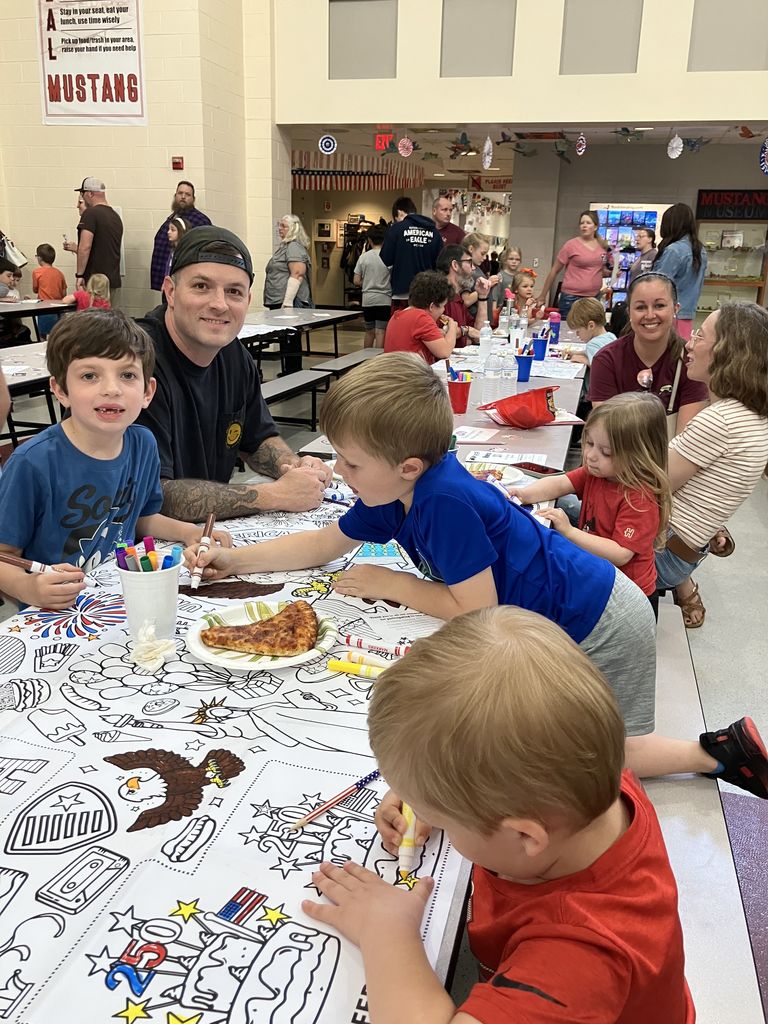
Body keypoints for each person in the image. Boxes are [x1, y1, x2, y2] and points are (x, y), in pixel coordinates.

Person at [185, 352, 767, 793]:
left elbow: (477, 610)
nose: (339, 471)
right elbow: (321, 543)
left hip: (602, 622)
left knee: (598, 754)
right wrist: (229, 560)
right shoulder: (394, 489)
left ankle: (717, 753)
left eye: (350, 461)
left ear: (407, 465)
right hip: (563, 613)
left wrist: (396, 585)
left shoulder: (441, 501)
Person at [301, 606, 693, 1023]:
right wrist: (434, 789)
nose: (431, 821)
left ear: (525, 837)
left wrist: (387, 932)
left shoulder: (578, 960)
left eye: (447, 822)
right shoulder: (588, 782)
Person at [0, 309, 231, 611]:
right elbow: (4, 554)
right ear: (60, 390)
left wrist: (190, 532)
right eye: (89, 376)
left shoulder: (143, 444)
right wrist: (29, 587)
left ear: (147, 392)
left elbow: (141, 518)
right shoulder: (32, 463)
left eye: (127, 375)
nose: (111, 389)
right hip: (54, 611)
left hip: (117, 595)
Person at [135, 224, 331, 522]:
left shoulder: (234, 355)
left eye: (234, 292)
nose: (219, 304)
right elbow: (154, 496)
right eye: (201, 286)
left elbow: (257, 439)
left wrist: (294, 467)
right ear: (170, 292)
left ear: (247, 302)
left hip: (204, 538)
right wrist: (274, 495)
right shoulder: (133, 362)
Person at [656, 302, 768, 628]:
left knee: (547, 512)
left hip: (661, 554)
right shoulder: (754, 416)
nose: (689, 344)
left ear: (725, 352)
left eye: (699, 337)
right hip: (683, 556)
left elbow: (650, 484)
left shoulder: (722, 420)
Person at [509, 393, 670, 614]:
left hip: (629, 599)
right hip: (599, 578)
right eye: (590, 443)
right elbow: (560, 483)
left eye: (606, 452)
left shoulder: (640, 498)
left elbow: (621, 553)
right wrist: (524, 494)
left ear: (639, 455)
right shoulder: (597, 473)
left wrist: (569, 532)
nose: (591, 456)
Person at [589, 273, 709, 436]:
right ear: (629, 313)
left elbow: (686, 440)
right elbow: (607, 433)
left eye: (659, 305)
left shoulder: (691, 361)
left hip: (674, 458)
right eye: (640, 307)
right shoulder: (606, 360)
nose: (650, 315)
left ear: (675, 309)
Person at [538, 210, 613, 318]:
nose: (584, 226)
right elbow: (554, 270)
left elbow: (599, 270)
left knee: (589, 330)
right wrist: (542, 295)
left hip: (593, 297)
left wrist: (612, 273)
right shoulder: (571, 245)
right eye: (582, 223)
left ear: (595, 227)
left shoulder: (603, 246)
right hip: (571, 297)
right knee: (568, 330)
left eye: (588, 223)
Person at [263, 213, 313, 372]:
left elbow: (297, 273)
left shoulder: (293, 247)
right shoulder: (286, 246)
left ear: (294, 229)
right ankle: (289, 371)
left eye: (283, 226)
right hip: (280, 301)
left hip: (289, 302)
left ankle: (292, 372)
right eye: (279, 225)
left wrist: (287, 302)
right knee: (286, 339)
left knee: (290, 339)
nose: (279, 229)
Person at [652, 204, 707, 341]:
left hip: (667, 317)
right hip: (687, 315)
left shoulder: (674, 251)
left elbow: (656, 285)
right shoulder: (700, 250)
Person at [379, 197, 442, 312]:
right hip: (428, 292)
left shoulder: (396, 229)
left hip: (402, 292)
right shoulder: (435, 233)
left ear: (399, 212)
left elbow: (386, 259)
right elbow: (440, 263)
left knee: (400, 328)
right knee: (424, 327)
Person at [383, 271, 457, 364]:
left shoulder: (397, 315)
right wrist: (452, 327)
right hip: (412, 375)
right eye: (443, 306)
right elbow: (444, 352)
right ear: (432, 306)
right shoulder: (421, 317)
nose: (443, 310)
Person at [149, 181, 211, 291]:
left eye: (187, 194)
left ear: (193, 199)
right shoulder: (172, 217)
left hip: (185, 274)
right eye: (180, 193)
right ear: (175, 195)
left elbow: (206, 249)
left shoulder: (200, 220)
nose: (183, 197)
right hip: (167, 273)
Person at [72, 177, 123, 308]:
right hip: (112, 281)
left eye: (82, 194)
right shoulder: (115, 216)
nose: (82, 198)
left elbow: (85, 246)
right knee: (111, 323)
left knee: (95, 325)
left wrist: (80, 275)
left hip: (95, 283)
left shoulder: (91, 214)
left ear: (90, 193)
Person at [437, 245, 490, 343]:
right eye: (469, 262)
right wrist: (467, 330)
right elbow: (438, 333)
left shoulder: (457, 297)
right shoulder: (438, 296)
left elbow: (479, 335)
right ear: (455, 265)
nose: (473, 268)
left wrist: (482, 296)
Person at [353, 224, 391, 348]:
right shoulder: (389, 257)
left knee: (369, 331)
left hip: (368, 300)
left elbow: (356, 280)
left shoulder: (363, 257)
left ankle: (365, 359)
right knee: (381, 331)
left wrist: (368, 280)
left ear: (369, 240)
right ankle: (378, 360)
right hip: (384, 300)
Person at [566, 296, 616, 366]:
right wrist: (576, 353)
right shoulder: (610, 336)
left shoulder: (592, 344)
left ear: (591, 326)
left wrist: (585, 361)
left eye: (578, 331)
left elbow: (601, 367)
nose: (577, 335)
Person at [461, 233, 500, 320]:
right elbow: (466, 301)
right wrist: (488, 284)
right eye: (482, 254)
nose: (484, 258)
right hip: (474, 320)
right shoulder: (466, 271)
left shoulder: (477, 269)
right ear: (471, 249)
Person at [32, 243, 68, 337]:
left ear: (39, 258)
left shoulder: (37, 272)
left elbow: (35, 289)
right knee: (57, 335)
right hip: (58, 308)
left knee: (43, 336)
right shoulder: (59, 273)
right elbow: (64, 293)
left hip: (44, 308)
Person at [0, 260, 31, 346]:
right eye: (8, 276)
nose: (12, 279)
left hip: (9, 325)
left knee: (25, 331)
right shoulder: (4, 289)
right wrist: (3, 299)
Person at [491, 244, 523, 309]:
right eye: (511, 259)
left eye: (517, 259)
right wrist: (494, 314)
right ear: (505, 260)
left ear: (520, 261)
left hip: (517, 311)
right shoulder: (500, 276)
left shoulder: (521, 276)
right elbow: (494, 297)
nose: (514, 261)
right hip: (502, 312)